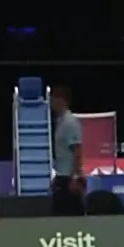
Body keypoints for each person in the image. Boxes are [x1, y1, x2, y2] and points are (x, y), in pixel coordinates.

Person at [50, 85, 85, 215]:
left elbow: (77, 151)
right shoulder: (60, 122)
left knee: (72, 216)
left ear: (61, 100)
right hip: (62, 177)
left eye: (53, 99)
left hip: (69, 180)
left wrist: (75, 178)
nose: (51, 103)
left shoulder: (70, 122)